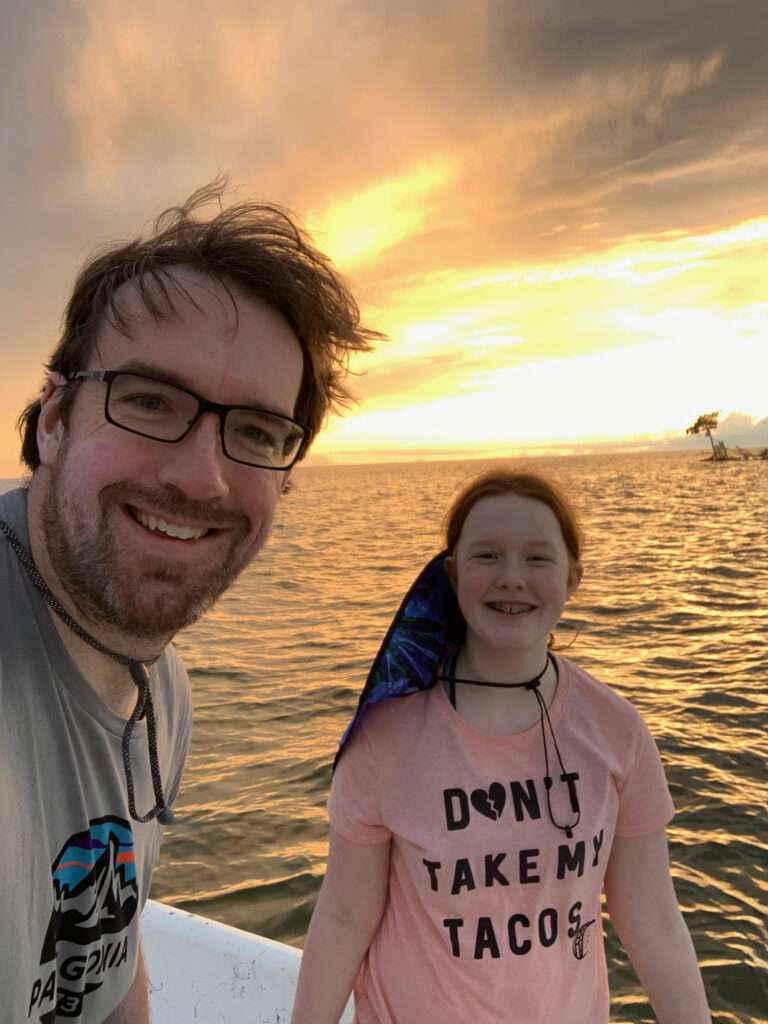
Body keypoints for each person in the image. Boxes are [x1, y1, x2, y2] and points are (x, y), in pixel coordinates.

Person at [0, 181, 379, 1023]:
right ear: (55, 418)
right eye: (148, 401)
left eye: (253, 431)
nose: (200, 476)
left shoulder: (159, 690)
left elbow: (102, 967)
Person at [292, 469, 711, 1023]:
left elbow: (653, 921)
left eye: (538, 558)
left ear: (573, 578)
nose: (512, 577)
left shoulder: (616, 732)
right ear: (452, 572)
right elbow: (344, 919)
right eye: (486, 556)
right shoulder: (385, 737)